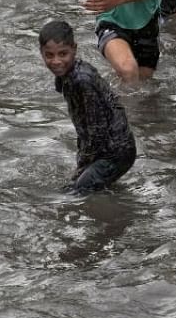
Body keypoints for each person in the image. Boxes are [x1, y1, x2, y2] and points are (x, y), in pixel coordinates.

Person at [38, 20, 136, 194]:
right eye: (49, 55)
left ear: (74, 49)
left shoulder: (82, 80)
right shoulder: (65, 75)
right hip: (105, 148)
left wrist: (84, 163)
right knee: (82, 187)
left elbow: (96, 128)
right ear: (42, 53)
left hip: (115, 152)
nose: (56, 61)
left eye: (63, 54)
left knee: (77, 194)